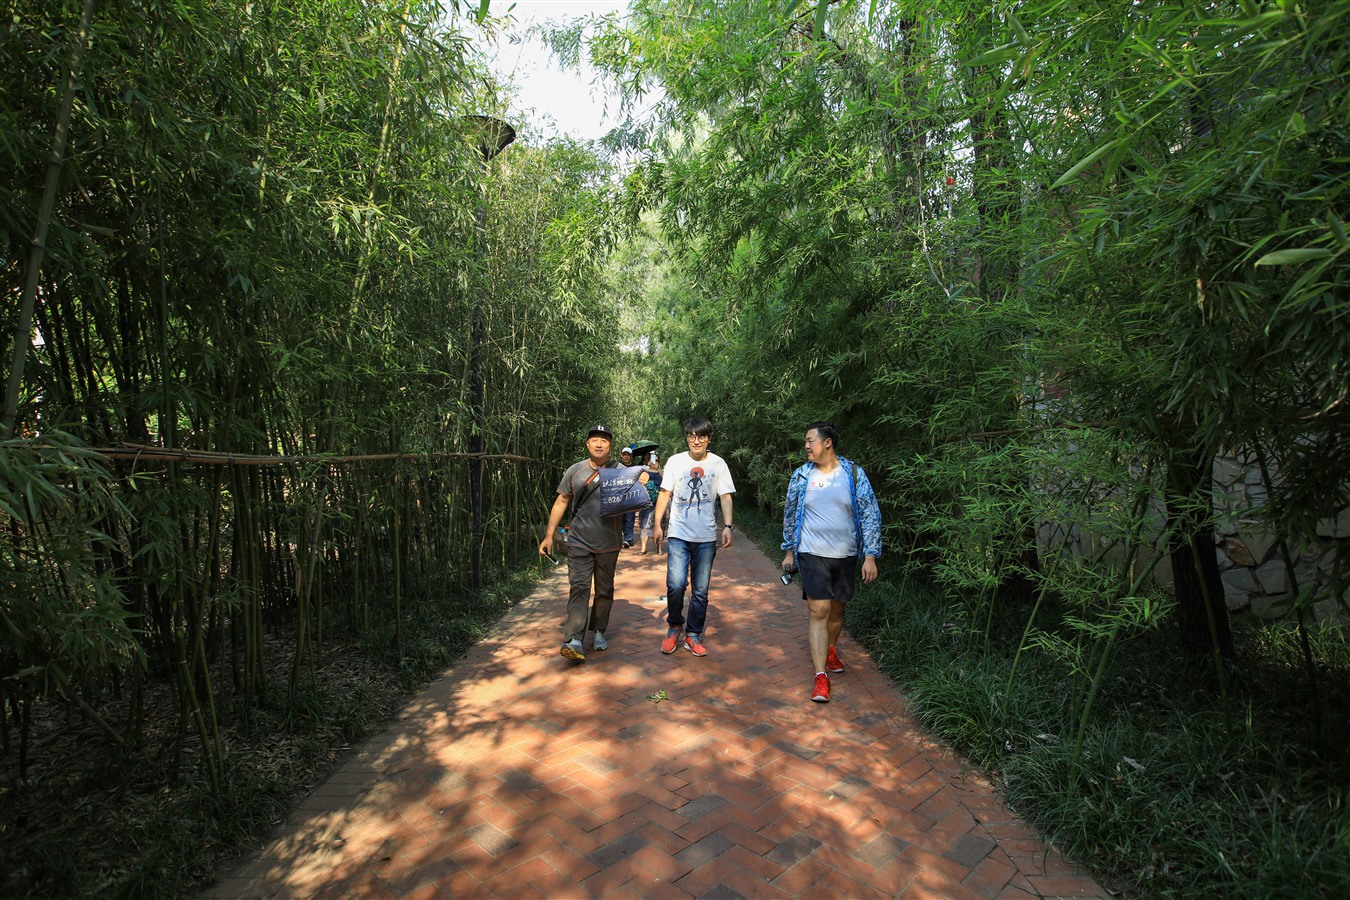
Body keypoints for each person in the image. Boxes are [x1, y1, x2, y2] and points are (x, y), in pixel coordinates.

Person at [780, 421, 882, 703]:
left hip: (846, 554)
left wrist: (870, 556)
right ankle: (820, 677)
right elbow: (790, 514)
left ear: (827, 443)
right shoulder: (802, 476)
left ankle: (832, 648)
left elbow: (870, 514)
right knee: (819, 610)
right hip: (812, 553)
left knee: (836, 611)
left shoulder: (853, 475)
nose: (806, 446)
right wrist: (789, 550)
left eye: (810, 440)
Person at [539, 424, 627, 662]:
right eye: (594, 440)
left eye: (604, 440)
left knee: (604, 590)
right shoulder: (575, 471)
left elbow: (638, 494)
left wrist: (642, 477)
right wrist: (549, 535)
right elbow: (561, 502)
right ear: (587, 445)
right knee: (579, 587)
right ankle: (574, 639)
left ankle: (599, 630)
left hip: (609, 542)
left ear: (610, 445)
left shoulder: (621, 470)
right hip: (579, 541)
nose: (599, 444)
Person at [652, 417, 736, 657]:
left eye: (700, 436)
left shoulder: (718, 464)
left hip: (706, 536)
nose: (695, 440)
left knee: (700, 590)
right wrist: (658, 524)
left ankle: (693, 634)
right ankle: (675, 625)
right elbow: (665, 493)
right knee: (676, 584)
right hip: (678, 534)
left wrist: (728, 526)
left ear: (708, 438)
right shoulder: (675, 462)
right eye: (691, 435)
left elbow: (726, 496)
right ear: (687, 437)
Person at [638, 451, 662, 554]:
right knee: (645, 522)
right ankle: (643, 547)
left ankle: (659, 547)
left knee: (660, 523)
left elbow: (667, 482)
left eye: (656, 460)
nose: (653, 462)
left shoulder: (662, 472)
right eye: (651, 459)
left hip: (660, 501)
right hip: (647, 500)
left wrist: (658, 469)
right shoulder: (644, 472)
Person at [618, 446, 635, 548]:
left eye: (628, 455)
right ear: (621, 456)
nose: (626, 457)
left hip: (631, 497)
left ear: (631, 456)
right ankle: (619, 537)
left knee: (629, 517)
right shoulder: (617, 467)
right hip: (619, 496)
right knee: (619, 518)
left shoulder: (635, 467)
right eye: (624, 454)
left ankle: (628, 539)